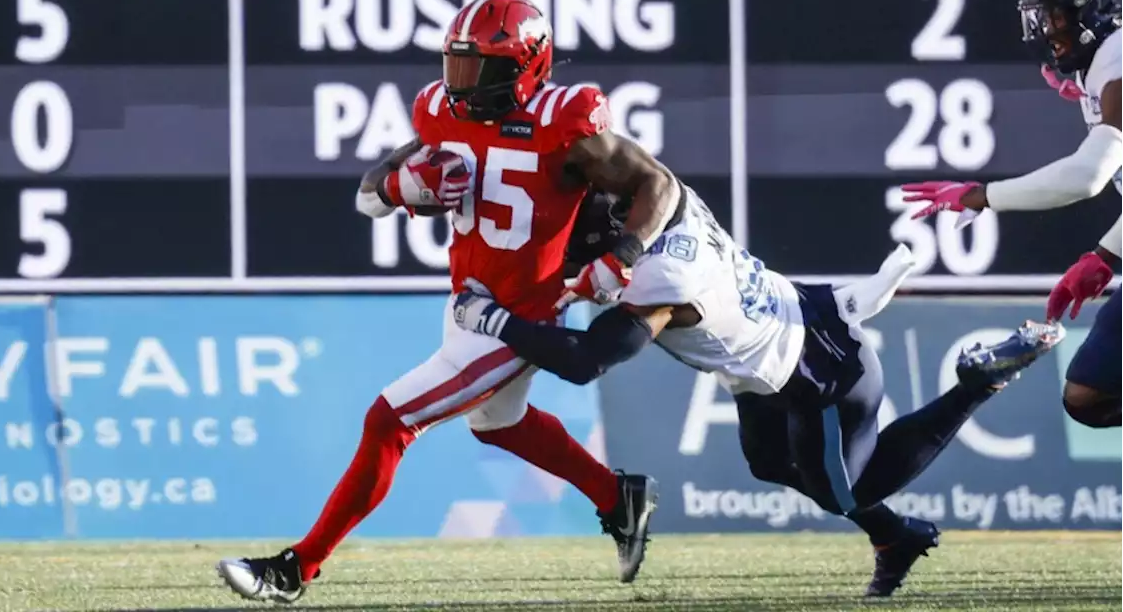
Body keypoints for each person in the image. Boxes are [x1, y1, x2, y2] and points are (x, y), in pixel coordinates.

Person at [215, 0, 683, 604]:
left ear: (530, 65)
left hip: (517, 316)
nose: (464, 83)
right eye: (458, 64)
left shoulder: (565, 121)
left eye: (483, 68)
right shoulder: (439, 109)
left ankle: (296, 569)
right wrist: (404, 184)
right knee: (497, 423)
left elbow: (659, 184)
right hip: (466, 303)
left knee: (389, 421)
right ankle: (615, 495)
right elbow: (368, 196)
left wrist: (622, 254)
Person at [453, 182, 1064, 598]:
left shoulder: (660, 279)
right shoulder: (667, 200)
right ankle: (895, 536)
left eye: (574, 249)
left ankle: (973, 386)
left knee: (847, 490)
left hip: (818, 369)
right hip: (784, 335)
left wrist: (493, 320)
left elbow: (589, 360)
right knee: (768, 460)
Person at [901, 0, 1123, 431]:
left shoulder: (1119, 58)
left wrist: (982, 196)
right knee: (1088, 395)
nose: (1046, 26)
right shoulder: (1105, 62)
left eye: (1055, 10)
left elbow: (1087, 176)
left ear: (1099, 4)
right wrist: (1105, 257)